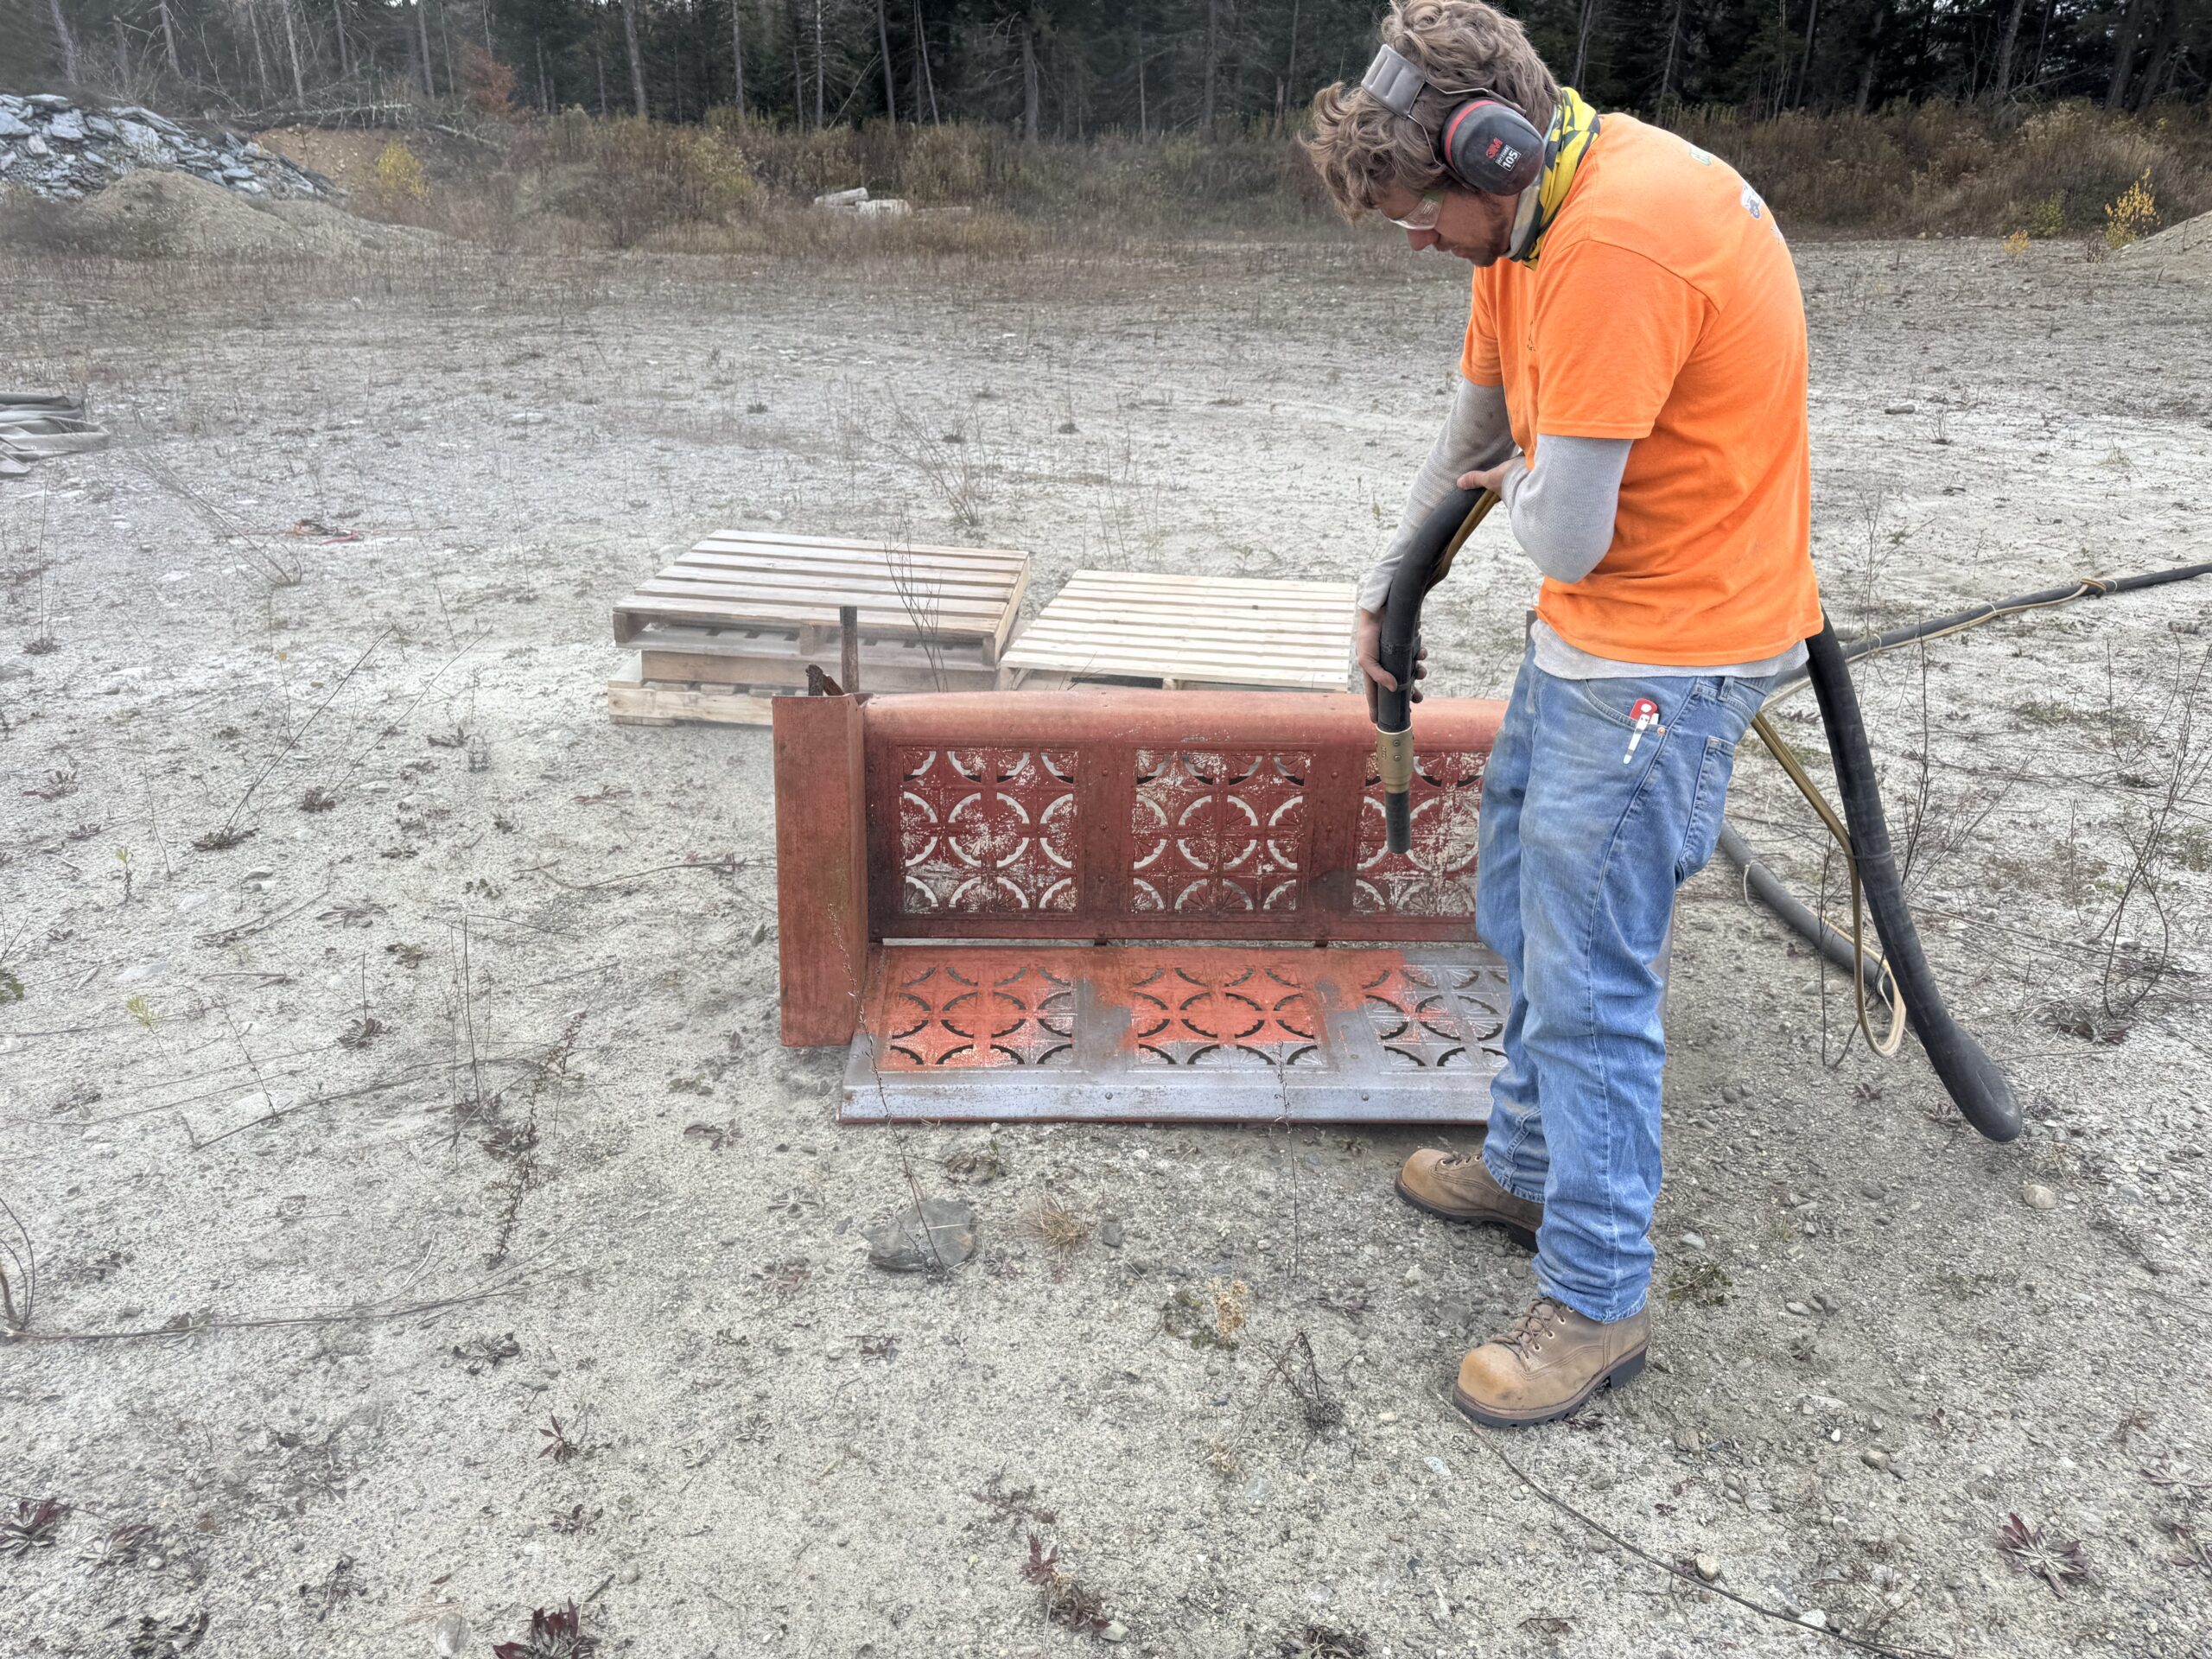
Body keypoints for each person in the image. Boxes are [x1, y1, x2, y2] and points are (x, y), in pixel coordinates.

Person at [1304, 0, 1823, 1427]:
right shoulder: (1531, 218)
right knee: (1520, 898)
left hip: (1666, 651)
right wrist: (1386, 589)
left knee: (1590, 977)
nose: (1414, 235)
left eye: (1421, 209)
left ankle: (1596, 1302)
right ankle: (1529, 1168)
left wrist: (1512, 495)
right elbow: (1480, 430)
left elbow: (1567, 531)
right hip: (1598, 634)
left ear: (1494, 148)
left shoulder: (1610, 248)